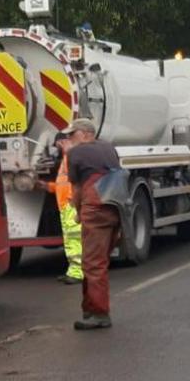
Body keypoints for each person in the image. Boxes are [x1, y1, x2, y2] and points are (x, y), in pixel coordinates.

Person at [64, 118, 121, 330]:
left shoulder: (75, 154)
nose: (69, 139)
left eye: (73, 134)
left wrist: (78, 212)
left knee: (93, 264)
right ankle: (89, 308)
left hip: (95, 209)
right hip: (116, 208)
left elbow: (78, 189)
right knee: (98, 260)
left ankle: (99, 313)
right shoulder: (108, 147)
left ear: (87, 133)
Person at [44, 134, 82, 285]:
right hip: (66, 204)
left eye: (58, 145)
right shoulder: (67, 159)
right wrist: (47, 186)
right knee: (71, 240)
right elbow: (63, 184)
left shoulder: (70, 158)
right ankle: (73, 271)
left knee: (74, 240)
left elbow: (75, 182)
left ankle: (77, 273)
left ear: (63, 142)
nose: (57, 148)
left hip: (70, 204)